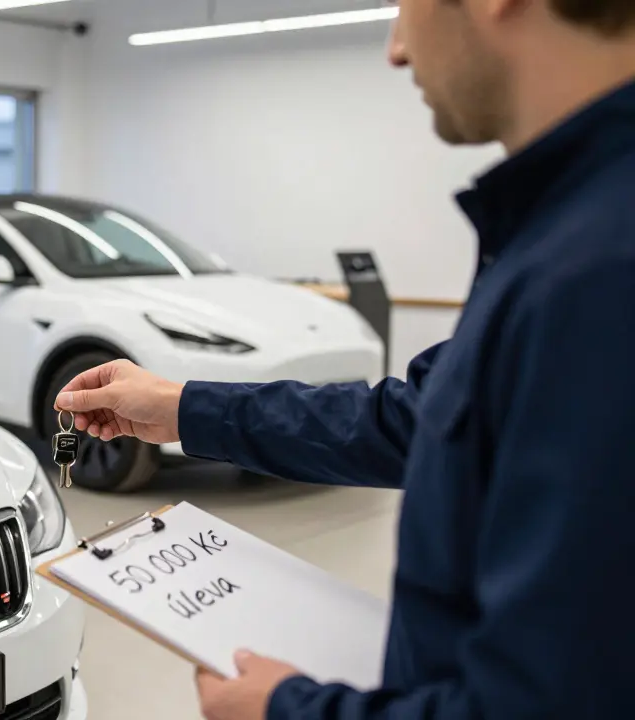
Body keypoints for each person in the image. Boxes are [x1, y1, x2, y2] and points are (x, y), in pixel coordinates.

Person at [53, 0, 635, 718]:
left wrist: (288, 709)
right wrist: (182, 407)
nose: (396, 49)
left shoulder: (599, 269)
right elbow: (420, 419)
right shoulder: (570, 231)